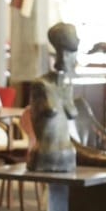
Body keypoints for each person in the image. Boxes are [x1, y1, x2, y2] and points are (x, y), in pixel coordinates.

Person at [27, 22, 79, 172]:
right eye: (65, 52)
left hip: (68, 156)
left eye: (71, 52)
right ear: (58, 54)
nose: (68, 58)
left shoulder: (66, 87)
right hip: (44, 156)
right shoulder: (41, 85)